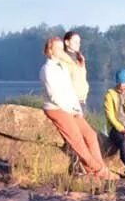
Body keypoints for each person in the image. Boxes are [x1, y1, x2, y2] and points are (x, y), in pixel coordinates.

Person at [40, 36, 115, 181]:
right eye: (58, 48)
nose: (61, 51)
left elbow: (69, 90)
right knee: (78, 141)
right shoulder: (47, 69)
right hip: (56, 109)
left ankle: (97, 168)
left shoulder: (62, 67)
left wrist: (76, 108)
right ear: (50, 50)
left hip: (70, 108)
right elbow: (54, 95)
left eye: (62, 48)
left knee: (91, 135)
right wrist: (69, 108)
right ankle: (100, 171)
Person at [64, 30, 91, 114]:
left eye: (79, 42)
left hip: (82, 100)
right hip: (70, 101)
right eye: (75, 42)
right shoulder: (63, 59)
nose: (78, 44)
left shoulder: (80, 59)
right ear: (67, 42)